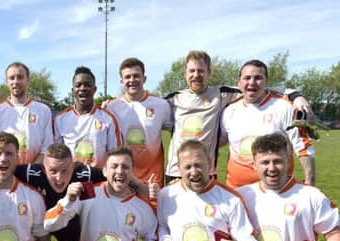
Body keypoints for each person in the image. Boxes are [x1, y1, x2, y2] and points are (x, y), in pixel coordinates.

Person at [164, 50, 310, 183]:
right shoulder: (172, 99)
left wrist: (296, 96)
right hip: (176, 171)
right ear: (185, 74)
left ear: (209, 73)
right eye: (192, 71)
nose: (196, 75)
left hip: (206, 171)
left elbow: (260, 88)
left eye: (201, 71)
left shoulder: (221, 94)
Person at [221, 59, 315, 188]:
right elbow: (220, 141)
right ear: (239, 82)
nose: (252, 82)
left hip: (276, 190)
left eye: (258, 78)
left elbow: (304, 148)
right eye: (247, 78)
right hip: (237, 190)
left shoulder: (285, 107)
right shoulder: (229, 110)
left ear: (266, 82)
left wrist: (310, 182)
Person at [103, 58, 172, 186]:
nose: (132, 80)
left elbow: (176, 133)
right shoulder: (111, 107)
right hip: (122, 177)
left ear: (144, 78)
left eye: (136, 76)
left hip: (152, 178)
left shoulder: (161, 105)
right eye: (127, 77)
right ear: (121, 81)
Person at [54, 66, 121, 168]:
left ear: (94, 89)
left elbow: (116, 155)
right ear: (73, 91)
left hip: (99, 180)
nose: (82, 88)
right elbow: (56, 156)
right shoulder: (60, 119)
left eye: (87, 85)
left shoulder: (108, 119)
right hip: (70, 180)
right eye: (78, 85)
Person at [0, 62, 53, 163]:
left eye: (20, 77)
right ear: (7, 82)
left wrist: (30, 170)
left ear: (28, 80)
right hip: (5, 171)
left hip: (33, 171)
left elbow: (46, 148)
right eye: (12, 78)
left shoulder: (43, 110)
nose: (15, 82)